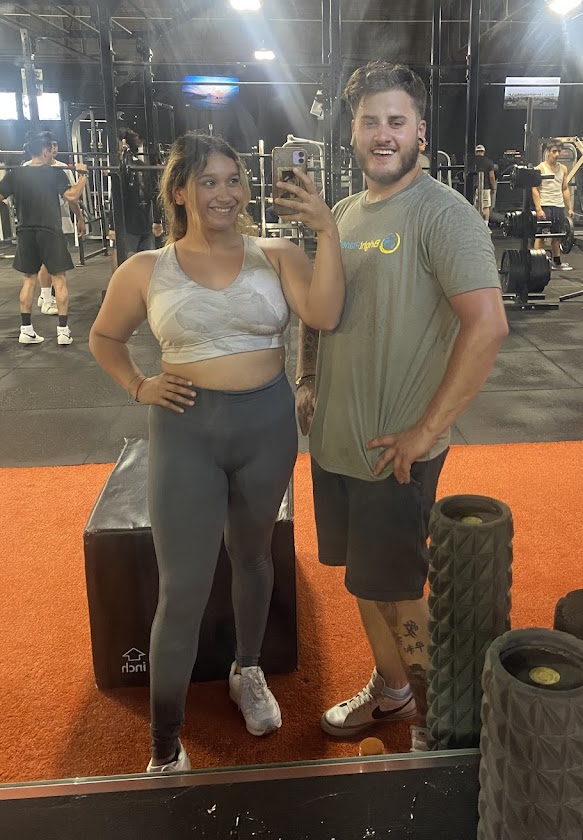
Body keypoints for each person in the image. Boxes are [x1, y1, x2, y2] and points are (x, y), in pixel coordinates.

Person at [88, 131, 344, 774]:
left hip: (266, 429)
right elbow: (104, 337)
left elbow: (324, 314)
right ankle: (165, 744)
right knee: (183, 587)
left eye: (234, 180)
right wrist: (139, 385)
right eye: (208, 181)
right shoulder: (146, 268)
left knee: (253, 555)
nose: (225, 193)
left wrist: (327, 230)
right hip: (186, 432)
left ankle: (247, 669)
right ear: (180, 191)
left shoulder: (277, 254)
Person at [294, 61, 508, 752]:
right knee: (365, 583)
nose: (382, 134)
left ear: (420, 131)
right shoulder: (345, 215)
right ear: (353, 132)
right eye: (370, 121)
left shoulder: (444, 214)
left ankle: (439, 726)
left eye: (396, 121)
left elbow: (487, 327)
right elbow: (319, 307)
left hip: (395, 453)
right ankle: (392, 691)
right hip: (336, 443)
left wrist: (426, 430)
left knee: (400, 590)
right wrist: (306, 377)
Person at [0, 129, 89, 345]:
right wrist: (83, 175)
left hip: (25, 232)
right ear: (45, 151)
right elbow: (72, 196)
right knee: (59, 279)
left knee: (28, 280)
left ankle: (26, 330)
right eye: (51, 150)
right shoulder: (54, 172)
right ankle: (63, 332)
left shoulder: (16, 173)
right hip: (50, 231)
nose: (52, 154)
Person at [31, 132, 85, 316]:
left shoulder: (62, 169)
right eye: (50, 146)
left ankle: (47, 296)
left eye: (55, 145)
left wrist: (79, 217)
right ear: (43, 149)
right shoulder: (28, 168)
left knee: (55, 263)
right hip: (38, 222)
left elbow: (71, 198)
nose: (53, 149)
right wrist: (84, 175)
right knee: (46, 263)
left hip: (60, 219)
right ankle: (46, 298)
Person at [118, 127, 164, 254]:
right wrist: (157, 220)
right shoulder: (143, 167)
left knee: (126, 259)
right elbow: (155, 194)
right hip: (144, 222)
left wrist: (113, 226)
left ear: (124, 145)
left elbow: (117, 197)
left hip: (130, 225)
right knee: (146, 258)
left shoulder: (123, 169)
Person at [532, 140, 574, 271]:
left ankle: (557, 262)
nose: (557, 154)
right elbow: (535, 189)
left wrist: (569, 207)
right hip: (545, 205)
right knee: (540, 236)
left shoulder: (563, 169)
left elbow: (565, 189)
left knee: (557, 236)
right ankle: (536, 263)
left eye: (559, 151)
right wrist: (538, 209)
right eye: (554, 151)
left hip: (559, 206)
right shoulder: (540, 168)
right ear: (548, 152)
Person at [470, 143, 497, 225]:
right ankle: (485, 225)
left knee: (475, 206)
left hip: (475, 187)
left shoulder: (472, 162)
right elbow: (491, 176)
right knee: (485, 207)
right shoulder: (489, 162)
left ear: (476, 152)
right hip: (486, 187)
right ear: (483, 152)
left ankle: (475, 224)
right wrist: (493, 187)